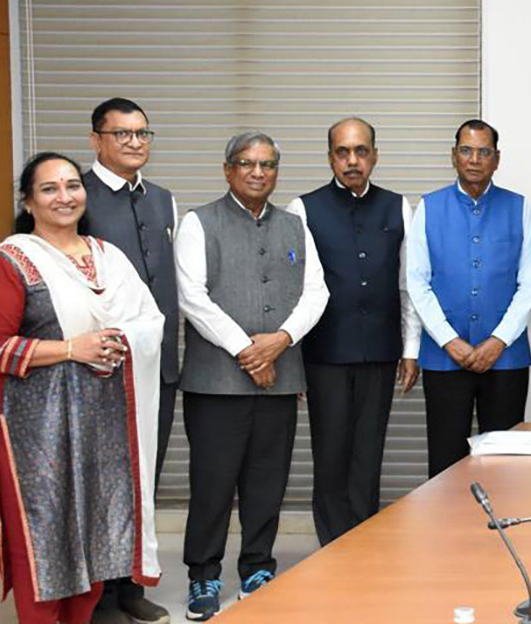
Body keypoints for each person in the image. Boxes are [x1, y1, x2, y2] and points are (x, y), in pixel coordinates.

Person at [0, 152, 164, 624]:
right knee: (43, 544)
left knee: (94, 538)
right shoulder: (13, 259)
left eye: (72, 185)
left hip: (102, 423)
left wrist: (120, 338)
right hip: (33, 429)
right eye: (49, 188)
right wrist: (71, 349)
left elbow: (150, 320)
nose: (64, 197)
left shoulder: (108, 257)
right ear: (28, 202)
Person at [175, 132, 327, 621]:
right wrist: (248, 350)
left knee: (268, 481)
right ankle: (203, 574)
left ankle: (258, 567)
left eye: (267, 164)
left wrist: (280, 340)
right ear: (228, 170)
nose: (258, 172)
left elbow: (317, 293)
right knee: (213, 482)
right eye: (247, 163)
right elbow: (192, 297)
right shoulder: (199, 222)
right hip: (215, 384)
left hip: (280, 377)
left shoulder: (295, 226)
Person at [284, 118, 420, 546]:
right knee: (330, 453)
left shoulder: (398, 206)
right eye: (342, 152)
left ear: (374, 155)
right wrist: (292, 360)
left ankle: (362, 542)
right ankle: (332, 545)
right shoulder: (303, 208)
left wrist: (411, 348)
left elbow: (407, 283)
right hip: (324, 353)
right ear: (330, 158)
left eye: (361, 151)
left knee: (368, 454)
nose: (352, 160)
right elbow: (293, 290)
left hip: (380, 350)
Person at [79, 96, 177, 624]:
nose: (135, 142)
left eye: (142, 133)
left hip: (156, 364)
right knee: (101, 484)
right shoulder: (78, 196)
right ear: (96, 140)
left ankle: (130, 585)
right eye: (123, 134)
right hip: (101, 367)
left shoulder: (162, 199)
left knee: (143, 480)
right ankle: (96, 596)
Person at [406, 119, 531, 476]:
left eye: (483, 152)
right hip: (445, 357)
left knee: (506, 465)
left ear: (497, 159)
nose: (474, 159)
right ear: (454, 155)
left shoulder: (519, 207)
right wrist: (449, 341)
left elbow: (529, 284)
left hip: (505, 357)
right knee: (446, 463)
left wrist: (498, 340)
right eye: (466, 150)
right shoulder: (429, 207)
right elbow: (417, 282)